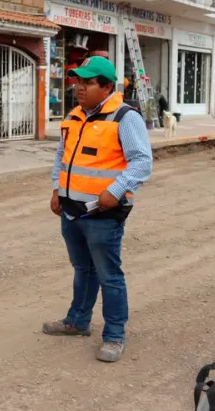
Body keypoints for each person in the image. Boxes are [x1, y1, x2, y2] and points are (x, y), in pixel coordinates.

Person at [44, 56, 153, 363]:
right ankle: (77, 322)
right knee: (83, 269)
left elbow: (142, 162)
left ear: (106, 87)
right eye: (78, 81)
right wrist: (57, 188)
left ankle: (115, 335)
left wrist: (115, 191)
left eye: (88, 82)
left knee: (109, 275)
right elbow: (62, 156)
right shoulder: (74, 116)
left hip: (103, 214)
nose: (80, 87)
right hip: (71, 211)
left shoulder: (124, 117)